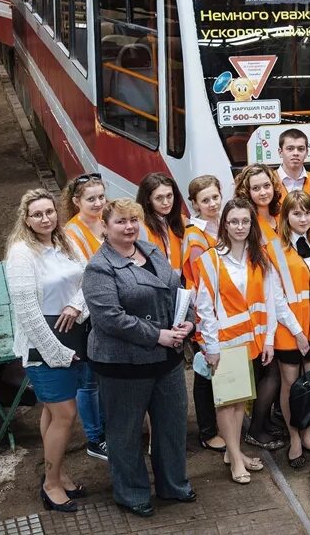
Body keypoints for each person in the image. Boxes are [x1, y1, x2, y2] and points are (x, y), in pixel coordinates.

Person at [82, 198, 196, 517]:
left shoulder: (151, 251)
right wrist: (157, 335)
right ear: (105, 226)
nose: (129, 226)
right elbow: (110, 318)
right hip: (124, 365)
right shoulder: (99, 268)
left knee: (172, 426)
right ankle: (131, 493)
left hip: (167, 360)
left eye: (134, 219)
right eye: (120, 221)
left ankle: (173, 484)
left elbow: (176, 289)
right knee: (125, 432)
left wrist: (189, 321)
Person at [6, 189, 90, 512]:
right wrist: (56, 352)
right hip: (42, 346)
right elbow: (28, 314)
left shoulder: (65, 241)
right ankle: (51, 485)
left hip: (72, 337)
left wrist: (76, 305)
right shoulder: (21, 254)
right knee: (65, 413)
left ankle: (58, 473)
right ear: (26, 219)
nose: (45, 219)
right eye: (37, 214)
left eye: (50, 212)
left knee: (53, 413)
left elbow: (87, 279)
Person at [194, 198, 278, 484]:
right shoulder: (211, 260)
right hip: (225, 343)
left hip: (251, 342)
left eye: (245, 221)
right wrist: (212, 347)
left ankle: (233, 453)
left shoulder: (260, 257)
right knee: (226, 404)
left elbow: (269, 300)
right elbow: (204, 308)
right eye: (234, 221)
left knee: (240, 401)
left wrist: (268, 340)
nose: (240, 226)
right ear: (225, 225)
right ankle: (235, 459)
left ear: (252, 224)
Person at [267, 191, 310, 468]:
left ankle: (308, 435)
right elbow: (277, 298)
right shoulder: (273, 249)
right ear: (286, 216)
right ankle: (294, 438)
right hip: (289, 332)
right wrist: (297, 333)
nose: (303, 218)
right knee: (290, 385)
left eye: (307, 212)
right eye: (296, 213)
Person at [60, 173, 109, 461]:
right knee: (89, 381)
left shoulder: (105, 220)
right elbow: (82, 275)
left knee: (103, 376)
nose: (98, 203)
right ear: (77, 201)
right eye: (91, 199)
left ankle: (106, 428)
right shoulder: (71, 232)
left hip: (107, 306)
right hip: (88, 312)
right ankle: (95, 437)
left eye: (101, 197)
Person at [182, 175, 227, 453]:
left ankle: (223, 425)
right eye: (205, 200)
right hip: (206, 310)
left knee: (221, 370)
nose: (212, 203)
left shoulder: (224, 223)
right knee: (206, 372)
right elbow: (200, 281)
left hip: (227, 309)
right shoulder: (195, 235)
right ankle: (208, 431)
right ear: (195, 204)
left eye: (215, 197)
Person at [136, 173, 187, 278]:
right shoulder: (140, 226)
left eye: (169, 196)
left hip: (179, 281)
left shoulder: (182, 220)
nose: (166, 202)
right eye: (159, 198)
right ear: (148, 200)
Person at [235, 163, 282, 241]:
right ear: (247, 192)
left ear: (273, 186)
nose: (263, 192)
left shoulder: (283, 216)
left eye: (266, 185)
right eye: (256, 188)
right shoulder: (246, 225)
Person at [277, 128, 310, 200]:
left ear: (306, 153)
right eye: (290, 149)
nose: (295, 153)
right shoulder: (270, 181)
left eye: (300, 149)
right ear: (280, 152)